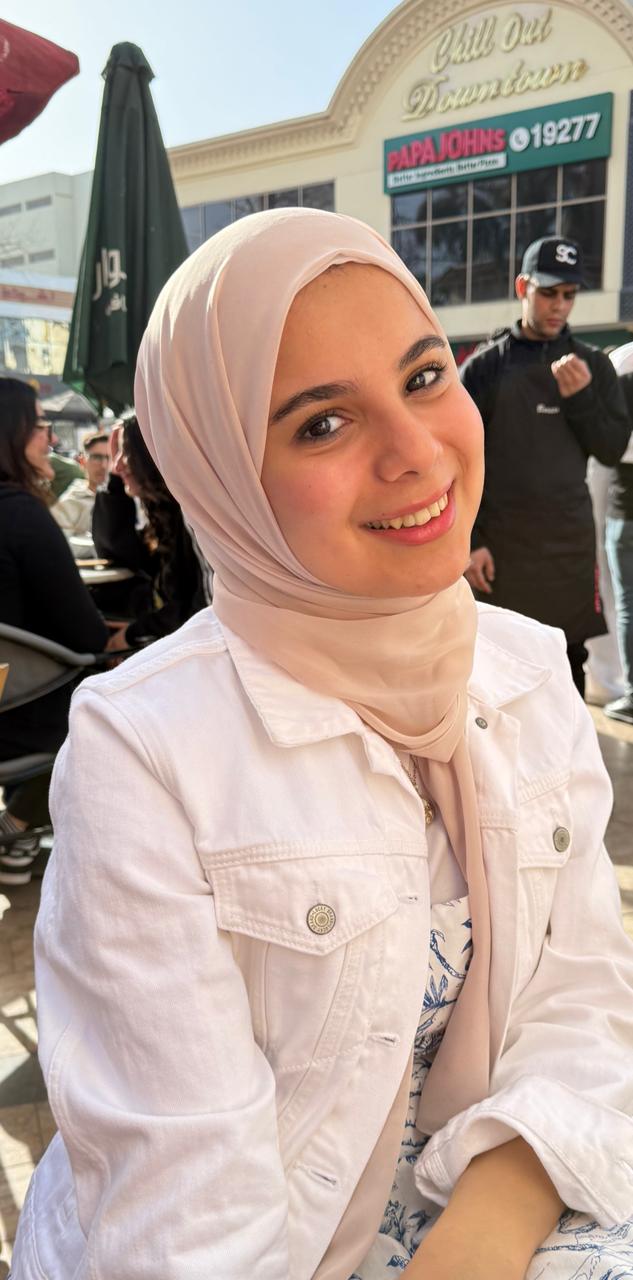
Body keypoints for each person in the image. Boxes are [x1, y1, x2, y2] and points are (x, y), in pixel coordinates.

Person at [11, 211, 633, 1279]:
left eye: (424, 377)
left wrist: (482, 1233)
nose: (417, 451)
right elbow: (186, 1222)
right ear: (220, 476)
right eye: (322, 425)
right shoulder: (146, 751)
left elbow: (581, 1000)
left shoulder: (527, 674)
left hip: (491, 1192)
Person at [461, 236, 630, 696]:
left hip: (567, 549)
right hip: (501, 551)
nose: (559, 305)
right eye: (549, 292)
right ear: (523, 287)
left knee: (566, 667)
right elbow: (457, 460)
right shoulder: (484, 368)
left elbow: (611, 449)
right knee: (497, 671)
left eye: (569, 295)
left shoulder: (593, 366)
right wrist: (471, 542)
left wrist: (580, 400)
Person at [0, 378, 108, 883]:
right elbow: (87, 636)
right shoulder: (21, 514)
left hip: (7, 692)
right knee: (117, 700)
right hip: (22, 712)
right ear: (11, 432)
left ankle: (18, 828)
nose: (50, 437)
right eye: (39, 425)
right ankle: (18, 826)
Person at [93, 415, 207, 648]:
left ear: (152, 454)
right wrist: (114, 484)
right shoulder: (167, 514)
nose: (117, 465)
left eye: (126, 451)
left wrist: (133, 635)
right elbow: (119, 552)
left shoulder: (193, 515)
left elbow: (195, 610)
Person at [604, 341, 633, 723]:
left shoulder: (623, 361)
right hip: (623, 508)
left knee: (627, 605)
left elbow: (608, 442)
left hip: (625, 508)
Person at [51, 430, 110, 537]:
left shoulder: (129, 497)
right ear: (83, 461)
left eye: (109, 458)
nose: (104, 465)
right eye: (97, 457)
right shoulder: (69, 503)